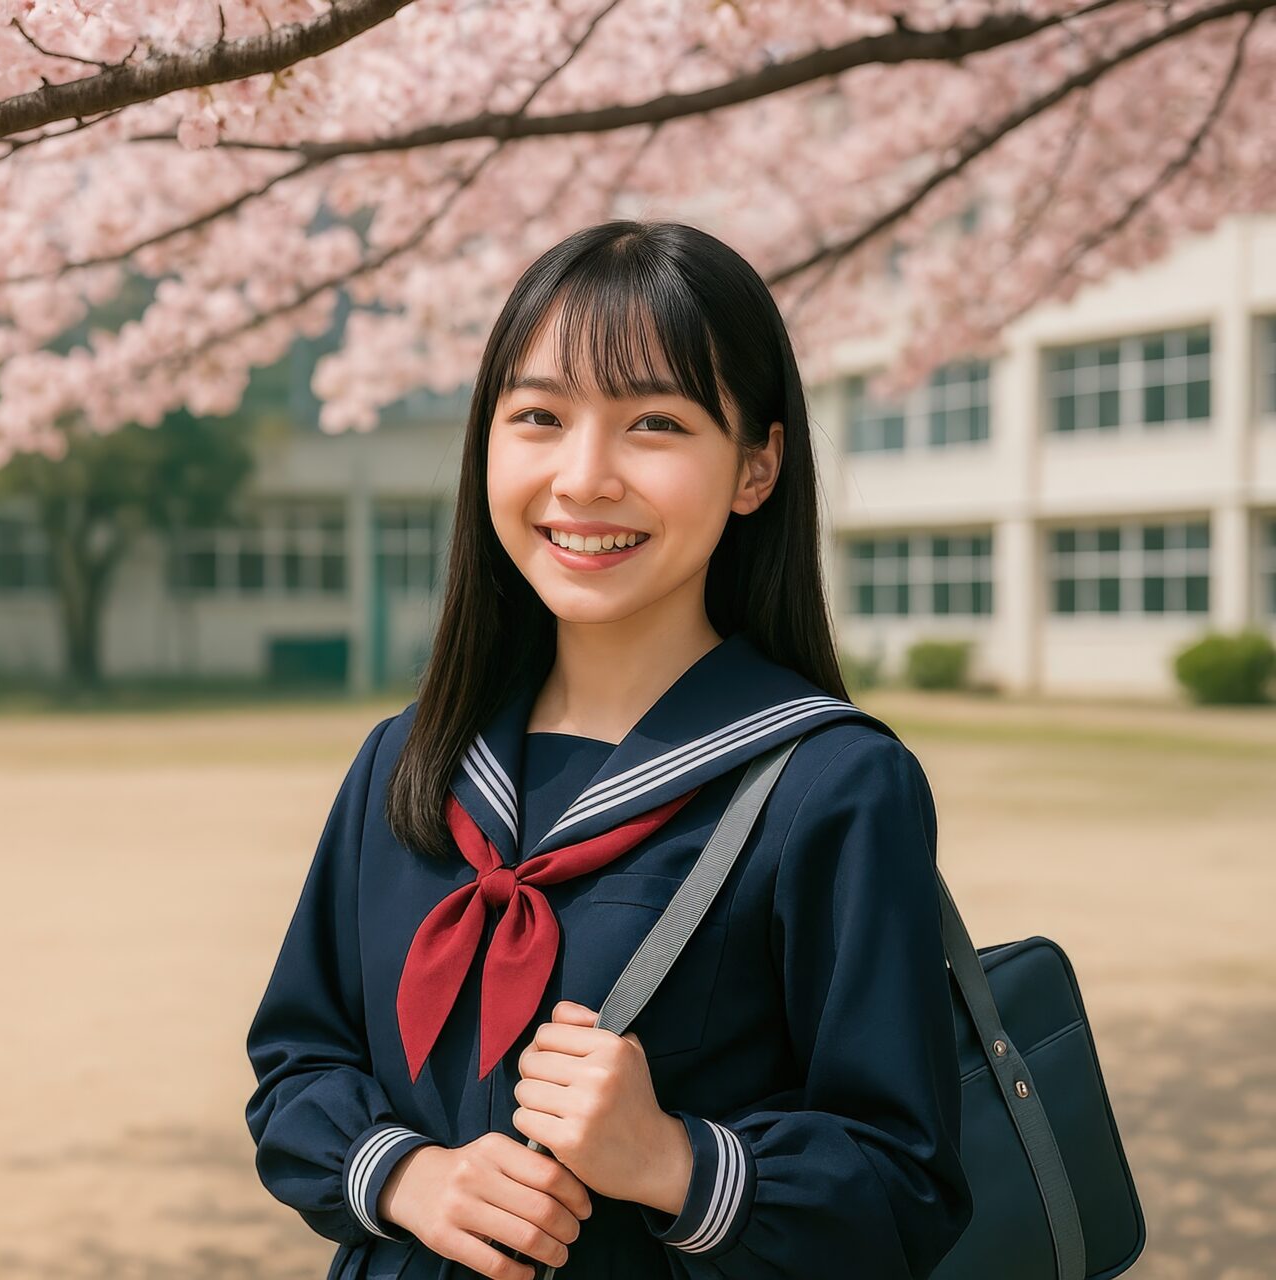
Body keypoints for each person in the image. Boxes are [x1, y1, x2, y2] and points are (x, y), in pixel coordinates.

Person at [242, 220, 974, 1280]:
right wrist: (407, 1175)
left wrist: (675, 1160)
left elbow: (906, 1184)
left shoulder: (831, 785)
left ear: (757, 466)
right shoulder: (408, 764)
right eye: (538, 415)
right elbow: (297, 1064)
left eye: (656, 424)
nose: (583, 478)